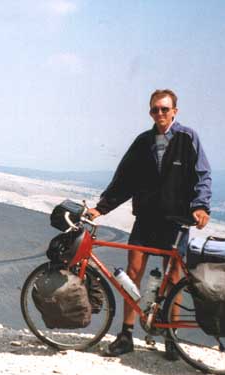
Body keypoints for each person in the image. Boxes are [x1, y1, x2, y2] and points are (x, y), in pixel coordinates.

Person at [88, 89, 212, 360]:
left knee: (175, 277)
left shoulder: (187, 137)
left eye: (165, 109)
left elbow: (203, 174)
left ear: (175, 111)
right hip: (146, 218)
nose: (160, 114)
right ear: (150, 112)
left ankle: (171, 336)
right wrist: (102, 207)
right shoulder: (143, 142)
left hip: (177, 221)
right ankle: (126, 334)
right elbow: (124, 180)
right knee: (133, 273)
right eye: (155, 109)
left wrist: (201, 206)